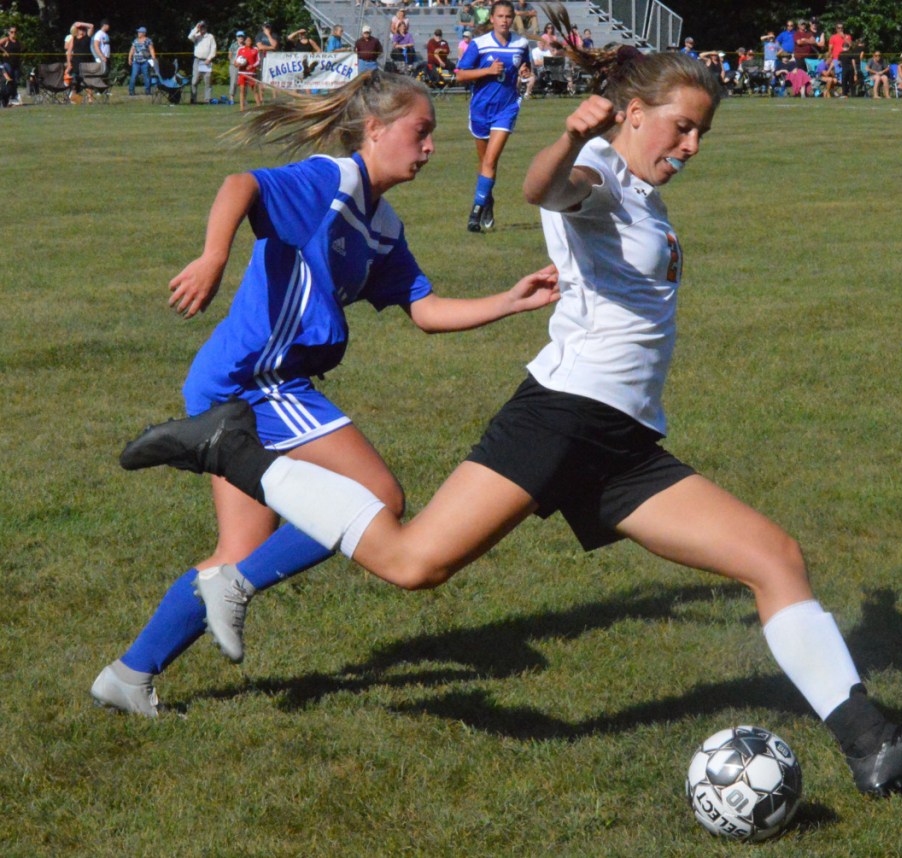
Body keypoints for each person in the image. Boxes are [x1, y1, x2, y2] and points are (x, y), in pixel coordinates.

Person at [122, 30, 902, 800]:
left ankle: (873, 747)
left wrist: (504, 297)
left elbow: (429, 301)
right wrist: (572, 133)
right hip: (563, 415)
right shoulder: (600, 172)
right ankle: (239, 449)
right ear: (632, 114)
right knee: (413, 560)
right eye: (679, 126)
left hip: (624, 437)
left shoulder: (644, 190)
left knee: (774, 557)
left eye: (701, 135)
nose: (689, 146)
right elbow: (542, 185)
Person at [92, 70, 559, 717]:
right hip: (256, 381)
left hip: (248, 382)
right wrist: (211, 257)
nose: (429, 149)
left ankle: (129, 674)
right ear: (375, 130)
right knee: (376, 497)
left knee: (242, 549)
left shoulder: (382, 225)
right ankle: (231, 586)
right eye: (420, 132)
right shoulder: (332, 183)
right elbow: (242, 185)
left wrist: (510, 300)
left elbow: (423, 309)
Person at [455, 0, 532, 233]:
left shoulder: (521, 43)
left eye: (508, 16)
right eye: (500, 16)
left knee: (490, 161)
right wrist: (487, 71)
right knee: (484, 163)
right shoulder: (479, 44)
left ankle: (475, 214)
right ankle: (487, 201)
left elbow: (525, 67)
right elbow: (460, 75)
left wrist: (526, 72)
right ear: (492, 19)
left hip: (506, 109)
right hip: (480, 110)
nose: (504, 21)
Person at [65, 22, 95, 103]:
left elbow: (91, 26)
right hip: (76, 63)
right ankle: (74, 98)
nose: (82, 30)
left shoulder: (87, 37)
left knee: (88, 81)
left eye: (83, 29)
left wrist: (81, 24)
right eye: (80, 29)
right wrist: (69, 63)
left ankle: (90, 98)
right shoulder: (73, 39)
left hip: (87, 63)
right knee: (75, 81)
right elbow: (69, 51)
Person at [188, 20, 217, 104]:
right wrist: (196, 28)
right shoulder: (196, 36)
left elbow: (213, 48)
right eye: (201, 27)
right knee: (194, 81)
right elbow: (190, 37)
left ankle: (207, 99)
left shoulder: (210, 37)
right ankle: (193, 99)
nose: (202, 29)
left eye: (203, 27)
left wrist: (209, 58)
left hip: (207, 61)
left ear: (206, 28)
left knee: (207, 81)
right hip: (197, 60)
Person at [127, 27, 157, 97]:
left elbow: (151, 49)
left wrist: (153, 59)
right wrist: (129, 58)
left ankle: (147, 91)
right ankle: (131, 91)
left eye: (140, 32)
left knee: (146, 76)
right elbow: (132, 49)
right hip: (136, 62)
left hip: (145, 62)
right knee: (133, 76)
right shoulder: (135, 41)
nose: (138, 33)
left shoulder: (148, 40)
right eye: (138, 32)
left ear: (144, 33)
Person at [236, 35, 261, 111]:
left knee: (254, 90)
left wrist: (252, 66)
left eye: (250, 41)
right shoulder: (240, 49)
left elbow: (258, 61)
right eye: (247, 41)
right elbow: (236, 60)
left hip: (251, 73)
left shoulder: (255, 49)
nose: (249, 42)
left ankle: (259, 106)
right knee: (242, 90)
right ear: (245, 41)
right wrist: (237, 64)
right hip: (242, 72)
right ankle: (242, 108)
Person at [0, 24, 24, 105]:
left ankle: (14, 97)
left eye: (15, 32)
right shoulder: (6, 40)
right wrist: (4, 51)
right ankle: (6, 98)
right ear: (9, 33)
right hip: (7, 64)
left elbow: (22, 50)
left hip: (16, 64)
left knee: (15, 82)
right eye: (11, 32)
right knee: (8, 81)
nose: (13, 33)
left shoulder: (18, 42)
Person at [227, 31, 246, 103]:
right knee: (234, 81)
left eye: (242, 36)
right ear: (236, 37)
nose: (241, 38)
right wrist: (234, 62)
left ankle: (243, 98)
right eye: (239, 36)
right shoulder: (233, 45)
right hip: (234, 66)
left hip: (243, 66)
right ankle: (231, 97)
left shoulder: (246, 46)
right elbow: (230, 56)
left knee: (243, 82)